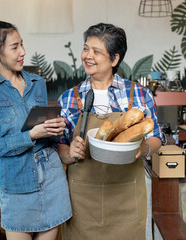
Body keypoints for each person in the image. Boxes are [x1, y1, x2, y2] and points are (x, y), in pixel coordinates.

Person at [57, 23, 166, 240]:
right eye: (86, 48)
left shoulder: (139, 94)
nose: (88, 56)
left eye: (96, 51)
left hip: (127, 197)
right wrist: (70, 153)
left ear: (114, 59)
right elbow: (60, 144)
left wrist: (144, 147)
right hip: (83, 199)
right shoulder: (70, 97)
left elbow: (157, 138)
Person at [0, 20, 72, 240]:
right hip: (16, 188)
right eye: (15, 47)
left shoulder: (38, 82)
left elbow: (48, 137)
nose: (23, 52)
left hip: (52, 181)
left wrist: (55, 129)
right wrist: (31, 135)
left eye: (22, 44)